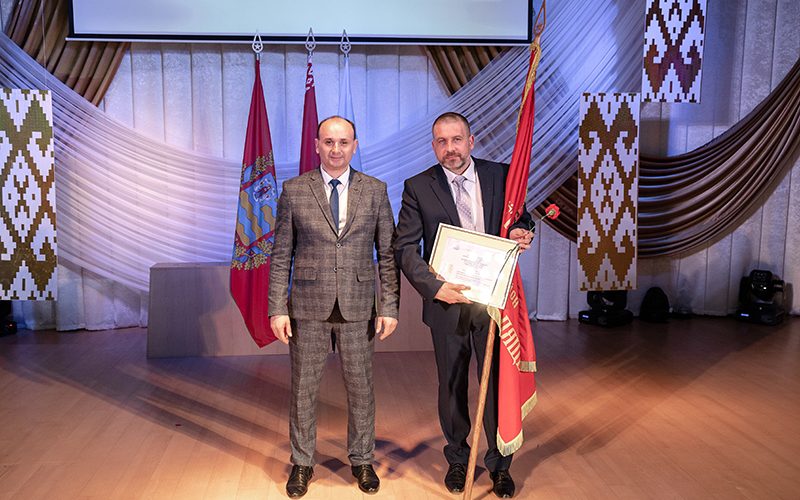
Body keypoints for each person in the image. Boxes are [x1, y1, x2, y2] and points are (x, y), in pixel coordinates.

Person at [393, 112, 533, 498]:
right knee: (452, 384)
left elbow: (522, 218)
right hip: (447, 302)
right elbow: (404, 248)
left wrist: (523, 230)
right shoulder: (418, 186)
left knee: (496, 383)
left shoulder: (501, 176)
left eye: (457, 140)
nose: (450, 148)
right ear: (433, 146)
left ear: (471, 141)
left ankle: (499, 465)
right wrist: (435, 288)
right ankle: (458, 459)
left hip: (493, 302)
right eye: (442, 141)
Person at [269, 116, 400, 498]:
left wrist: (389, 306)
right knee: (303, 390)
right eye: (328, 142)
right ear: (317, 145)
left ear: (355, 146)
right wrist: (277, 307)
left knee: (361, 389)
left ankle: (362, 459)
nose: (336, 149)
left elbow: (387, 254)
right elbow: (281, 255)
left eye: (343, 142)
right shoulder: (295, 190)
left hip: (359, 306)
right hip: (307, 306)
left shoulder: (375, 190)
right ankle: (302, 462)